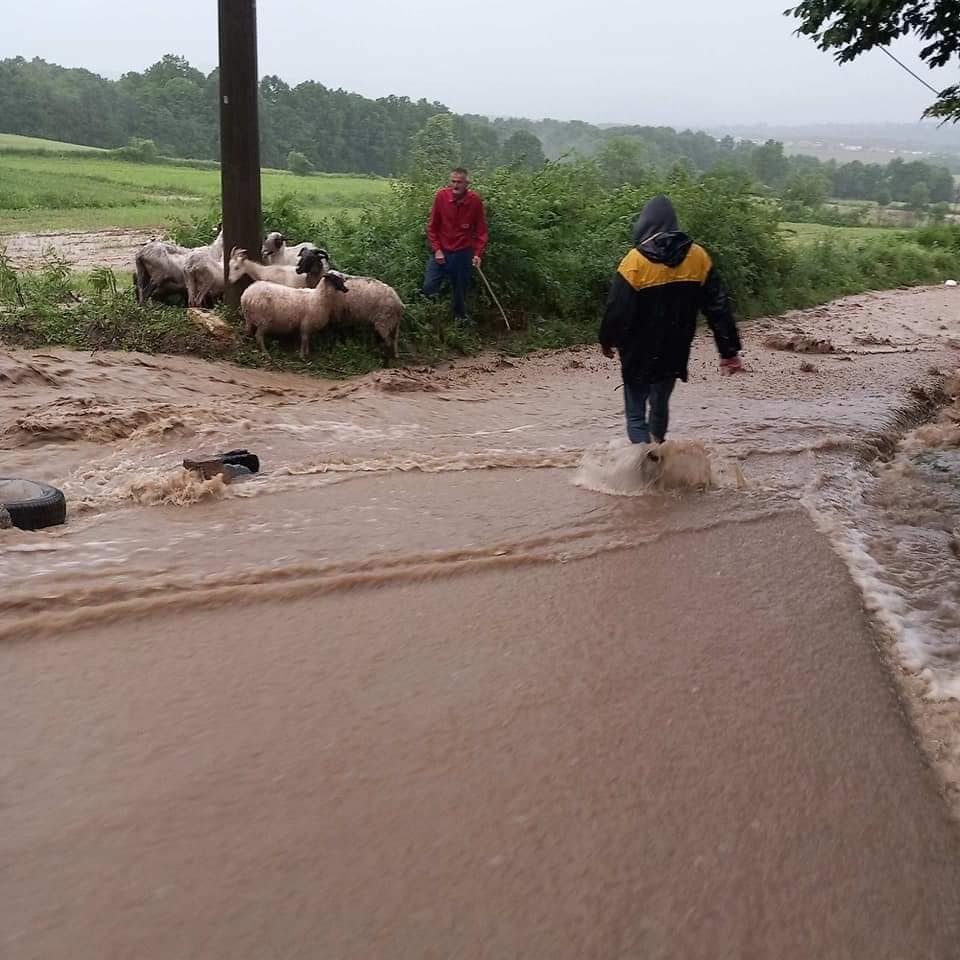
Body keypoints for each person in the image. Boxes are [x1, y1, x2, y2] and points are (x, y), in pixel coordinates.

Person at [599, 195, 744, 444]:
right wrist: (728, 350)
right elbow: (718, 307)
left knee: (635, 416)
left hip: (638, 353)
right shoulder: (699, 258)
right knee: (660, 404)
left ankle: (645, 467)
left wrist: (607, 340)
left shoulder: (634, 262)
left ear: (644, 224)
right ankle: (658, 454)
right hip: (674, 350)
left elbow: (617, 310)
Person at [423, 167, 488, 322]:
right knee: (428, 287)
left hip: (462, 253)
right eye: (453, 181)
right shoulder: (441, 197)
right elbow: (432, 227)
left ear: (467, 183)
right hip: (442, 251)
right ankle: (432, 317)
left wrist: (478, 254)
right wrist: (437, 250)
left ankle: (459, 322)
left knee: (459, 292)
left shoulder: (475, 201)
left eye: (459, 182)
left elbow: (481, 231)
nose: (456, 185)